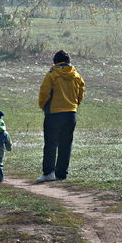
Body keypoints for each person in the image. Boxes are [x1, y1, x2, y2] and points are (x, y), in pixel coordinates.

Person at [37, 50, 85, 183]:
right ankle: (61, 174)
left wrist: (43, 106)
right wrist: (74, 105)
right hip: (71, 113)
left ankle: (48, 173)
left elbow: (44, 93)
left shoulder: (52, 74)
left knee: (51, 144)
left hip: (54, 113)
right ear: (68, 61)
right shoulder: (76, 75)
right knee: (66, 144)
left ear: (55, 61)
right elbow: (80, 93)